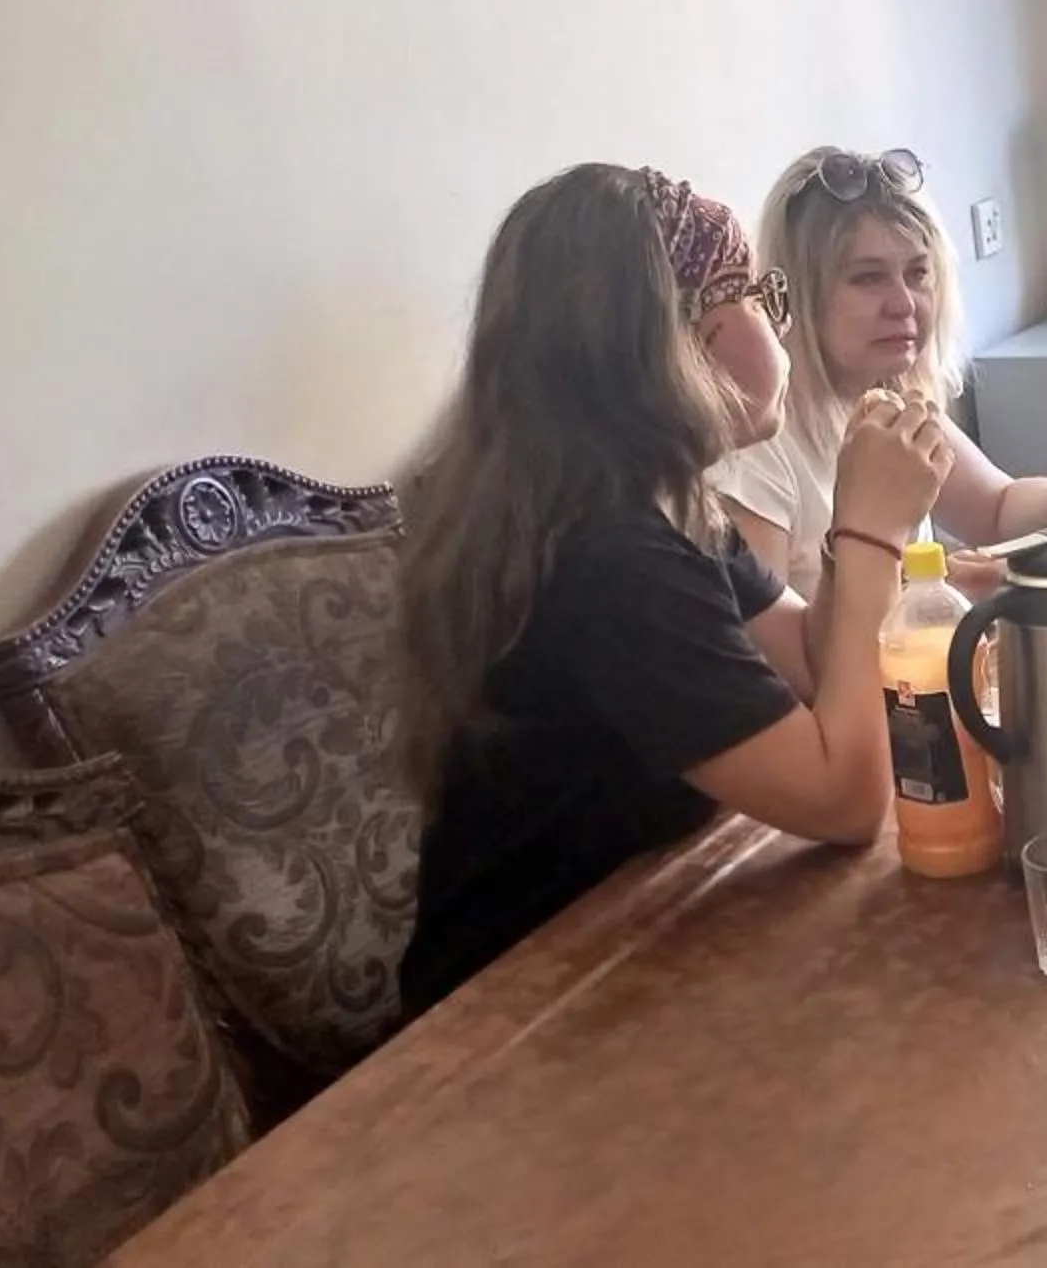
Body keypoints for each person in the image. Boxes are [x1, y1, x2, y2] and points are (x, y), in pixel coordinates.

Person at [394, 165, 952, 1014]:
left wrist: (852, 528)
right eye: (757, 296)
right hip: (518, 1008)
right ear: (678, 339)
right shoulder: (607, 557)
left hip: (644, 922)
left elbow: (810, 659)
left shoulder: (660, 502)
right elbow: (844, 802)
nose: (776, 324)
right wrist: (874, 537)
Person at [715, 145, 1047, 598]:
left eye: (918, 273)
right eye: (868, 278)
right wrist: (931, 598)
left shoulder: (891, 401)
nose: (904, 304)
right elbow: (765, 652)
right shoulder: (759, 449)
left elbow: (996, 508)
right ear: (798, 293)